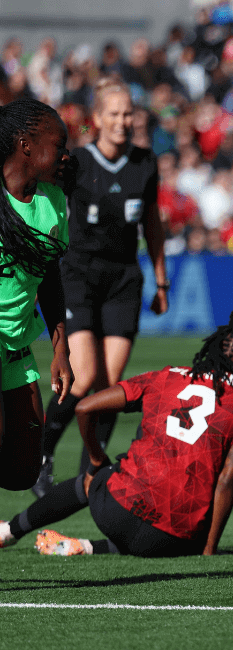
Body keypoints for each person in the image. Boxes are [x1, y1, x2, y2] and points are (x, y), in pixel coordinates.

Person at [0, 306, 233, 557]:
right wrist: (208, 549)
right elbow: (227, 480)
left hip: (114, 510)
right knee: (185, 526)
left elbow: (84, 408)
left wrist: (95, 458)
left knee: (90, 479)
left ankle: (10, 532)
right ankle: (87, 546)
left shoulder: (167, 376)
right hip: (172, 539)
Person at [33, 77, 170, 497]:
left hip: (124, 278)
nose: (122, 121)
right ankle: (41, 456)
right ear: (96, 119)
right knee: (84, 373)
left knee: (111, 383)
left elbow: (152, 224)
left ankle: (92, 472)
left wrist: (161, 279)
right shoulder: (77, 163)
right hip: (77, 274)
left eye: (128, 113)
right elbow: (45, 205)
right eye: (113, 113)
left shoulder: (146, 162)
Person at [0, 97, 74, 492]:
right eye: (58, 144)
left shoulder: (54, 203)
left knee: (21, 472)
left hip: (17, 347)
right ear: (26, 145)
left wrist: (61, 348)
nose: (65, 154)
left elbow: (49, 277)